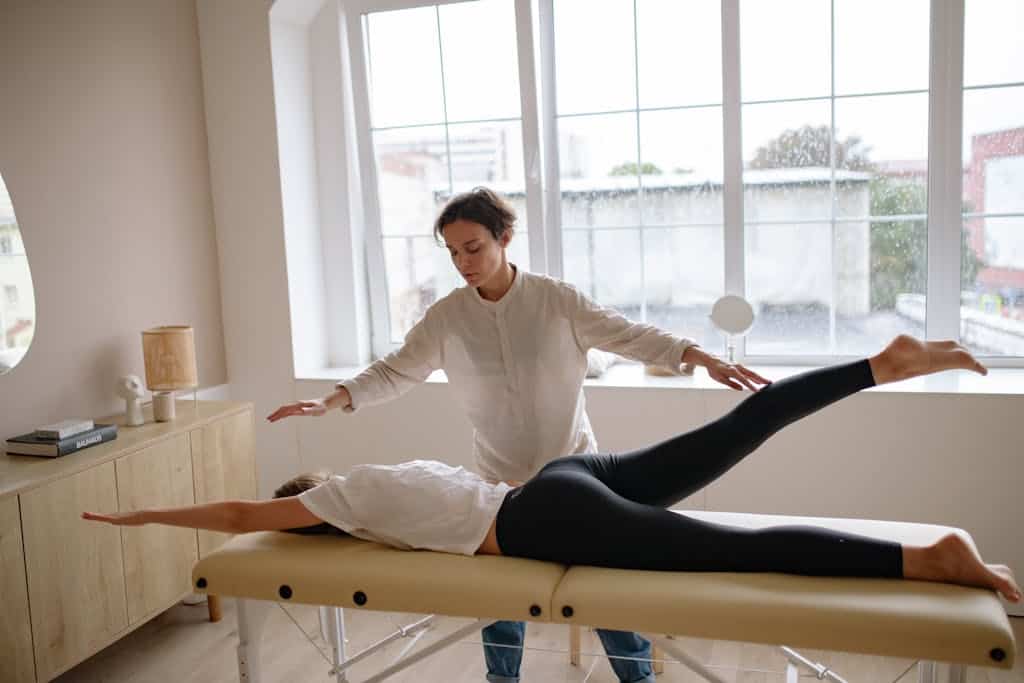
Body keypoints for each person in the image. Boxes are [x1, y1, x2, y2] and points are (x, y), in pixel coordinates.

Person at [85, 335, 1021, 609]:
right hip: (564, 477)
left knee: (734, 550)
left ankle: (928, 560)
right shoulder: (379, 469)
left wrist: (145, 520)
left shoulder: (340, 504)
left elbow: (243, 508)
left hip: (544, 525)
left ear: (312, 515)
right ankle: (879, 364)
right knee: (738, 426)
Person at [265, 187, 770, 683]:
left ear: (504, 237)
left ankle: (637, 678)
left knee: (605, 594)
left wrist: (701, 358)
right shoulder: (447, 317)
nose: (464, 263)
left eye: (474, 248)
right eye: (454, 253)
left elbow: (630, 335)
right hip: (498, 490)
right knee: (499, 602)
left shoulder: (556, 300)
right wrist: (332, 400)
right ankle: (501, 679)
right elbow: (396, 370)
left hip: (577, 479)